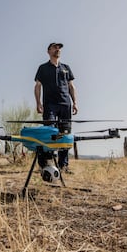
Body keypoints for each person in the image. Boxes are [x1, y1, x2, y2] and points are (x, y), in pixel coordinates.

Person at [34, 42, 78, 173]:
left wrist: (75, 102)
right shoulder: (43, 68)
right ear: (48, 51)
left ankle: (63, 165)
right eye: (55, 47)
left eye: (59, 48)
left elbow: (71, 86)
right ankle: (45, 164)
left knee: (64, 135)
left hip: (65, 104)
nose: (57, 49)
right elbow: (37, 86)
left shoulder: (66, 67)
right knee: (49, 133)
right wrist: (38, 103)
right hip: (50, 105)